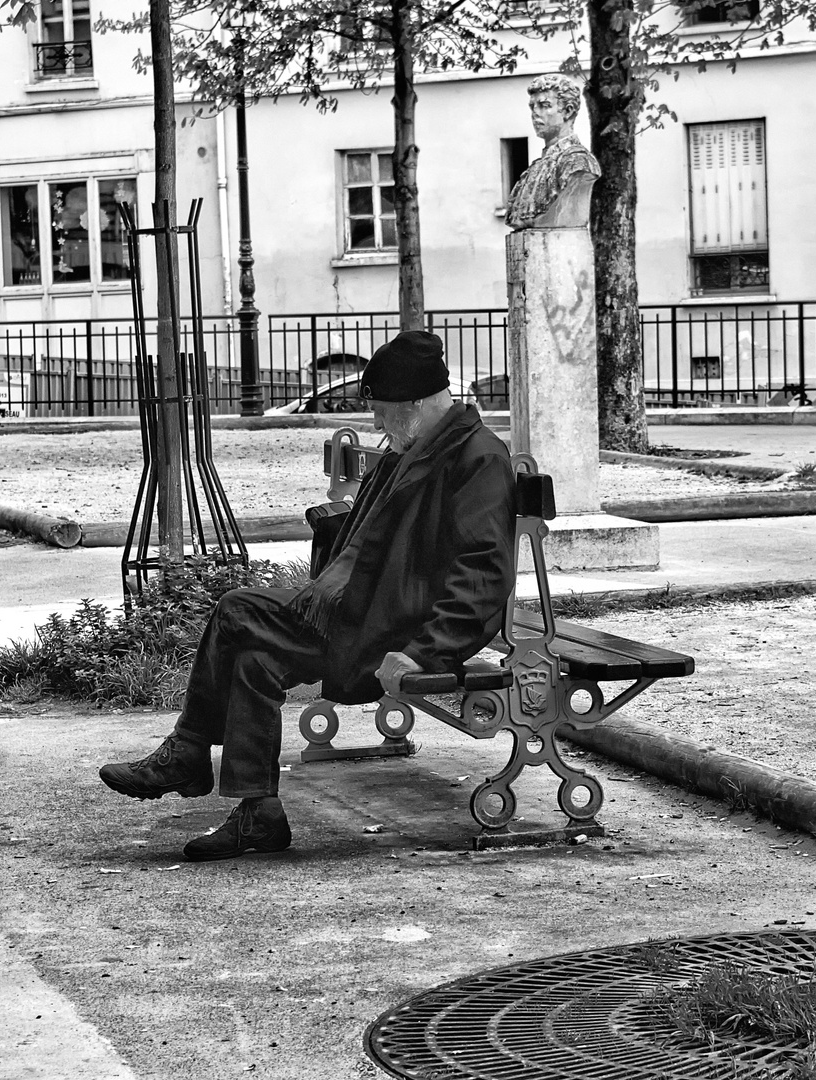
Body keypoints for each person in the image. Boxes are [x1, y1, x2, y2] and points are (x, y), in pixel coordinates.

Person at [99, 330, 517, 861]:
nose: (378, 425)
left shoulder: (476, 457)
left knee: (236, 609)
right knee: (255, 658)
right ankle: (259, 816)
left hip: (393, 631)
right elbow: (378, 539)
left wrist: (422, 653)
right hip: (365, 612)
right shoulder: (420, 448)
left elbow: (483, 574)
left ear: (418, 403)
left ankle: (188, 752)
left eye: (385, 412)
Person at [504, 73, 600, 231]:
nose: (535, 113)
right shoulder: (532, 170)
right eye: (532, 106)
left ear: (567, 111)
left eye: (544, 105)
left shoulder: (578, 163)